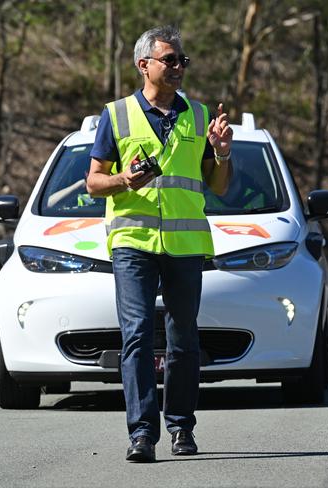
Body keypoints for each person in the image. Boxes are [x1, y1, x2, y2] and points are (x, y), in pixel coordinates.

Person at [86, 25, 232, 463]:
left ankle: (182, 429)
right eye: (169, 60)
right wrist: (122, 180)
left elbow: (218, 186)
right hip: (132, 241)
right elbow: (93, 182)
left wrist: (222, 152)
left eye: (182, 60)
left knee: (183, 338)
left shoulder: (201, 116)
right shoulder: (116, 115)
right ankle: (142, 434)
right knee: (135, 337)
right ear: (143, 64)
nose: (178, 67)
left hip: (185, 244)